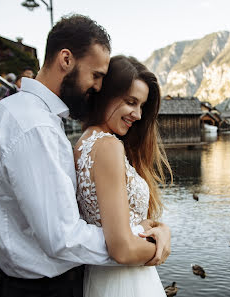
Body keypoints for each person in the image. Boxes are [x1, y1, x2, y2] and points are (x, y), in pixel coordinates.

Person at [0, 15, 170, 297]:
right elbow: (63, 238)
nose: (97, 88)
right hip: (44, 288)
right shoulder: (36, 127)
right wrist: (143, 242)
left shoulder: (15, 113)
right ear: (66, 60)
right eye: (96, 76)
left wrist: (139, 230)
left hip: (30, 281)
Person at [74, 55, 172, 297]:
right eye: (131, 102)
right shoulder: (107, 146)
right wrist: (161, 246)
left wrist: (155, 227)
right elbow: (122, 249)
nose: (138, 114)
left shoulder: (84, 142)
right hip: (126, 282)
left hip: (104, 278)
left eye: (141, 106)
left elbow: (117, 223)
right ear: (107, 94)